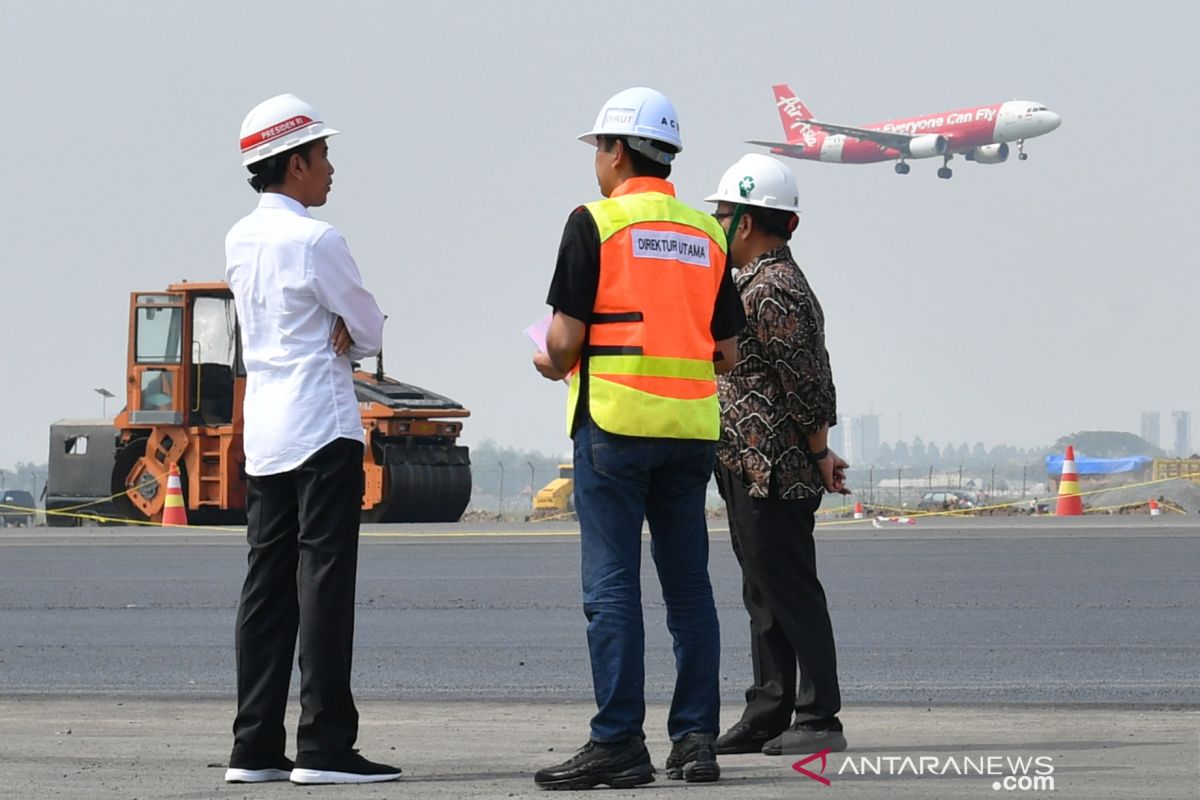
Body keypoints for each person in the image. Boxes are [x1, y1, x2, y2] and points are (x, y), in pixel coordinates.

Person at [531, 87, 746, 789]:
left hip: (616, 426)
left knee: (613, 587)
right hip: (689, 432)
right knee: (689, 590)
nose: (597, 160)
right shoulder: (707, 235)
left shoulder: (593, 223)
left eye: (599, 147)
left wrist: (548, 360)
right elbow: (729, 354)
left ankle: (619, 741)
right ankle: (695, 741)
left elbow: (563, 344)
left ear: (617, 151)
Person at [223, 93, 399, 785]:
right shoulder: (318, 240)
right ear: (295, 163)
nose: (330, 168)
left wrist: (345, 327)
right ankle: (325, 743)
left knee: (266, 587)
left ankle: (255, 744)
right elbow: (369, 326)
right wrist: (350, 331)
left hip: (265, 430)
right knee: (324, 583)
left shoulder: (238, 239)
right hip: (322, 428)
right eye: (322, 155)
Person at [704, 154, 851, 758]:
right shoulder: (750, 284)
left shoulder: (774, 288)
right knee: (762, 591)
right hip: (747, 464)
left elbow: (808, 383)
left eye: (721, 216)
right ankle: (769, 709)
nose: (715, 227)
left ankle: (819, 717)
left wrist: (819, 452)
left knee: (789, 589)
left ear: (744, 222)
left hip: (779, 469)